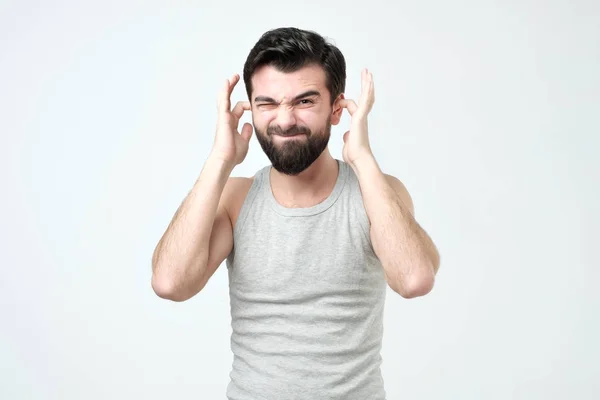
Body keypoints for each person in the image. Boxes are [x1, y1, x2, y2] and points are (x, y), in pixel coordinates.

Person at [151, 27, 440, 400]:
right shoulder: (233, 199)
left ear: (337, 109)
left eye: (304, 102)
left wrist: (363, 159)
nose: (284, 120)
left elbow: (414, 279)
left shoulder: (377, 193)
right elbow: (170, 283)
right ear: (250, 109)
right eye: (267, 103)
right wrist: (220, 160)